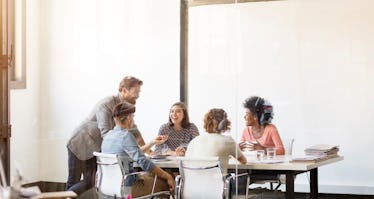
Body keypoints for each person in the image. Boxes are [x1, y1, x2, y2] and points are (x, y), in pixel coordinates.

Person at [66, 76, 147, 195]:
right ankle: (63, 197)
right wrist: (126, 147)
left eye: (139, 92)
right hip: (80, 143)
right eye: (135, 92)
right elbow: (107, 134)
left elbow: (134, 130)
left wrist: (148, 150)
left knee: (93, 182)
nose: (138, 96)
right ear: (124, 90)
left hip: (95, 147)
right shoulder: (106, 104)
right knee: (74, 181)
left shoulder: (125, 107)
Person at [101, 102, 174, 197]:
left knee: (154, 176)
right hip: (128, 187)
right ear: (128, 118)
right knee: (165, 182)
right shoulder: (126, 136)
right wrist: (168, 177)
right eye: (133, 116)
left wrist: (152, 143)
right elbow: (143, 162)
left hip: (109, 186)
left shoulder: (108, 136)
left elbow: (133, 153)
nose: (133, 119)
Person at [185, 108, 247, 174]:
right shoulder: (228, 141)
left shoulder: (195, 141)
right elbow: (243, 161)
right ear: (225, 123)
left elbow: (187, 162)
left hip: (194, 182)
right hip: (217, 183)